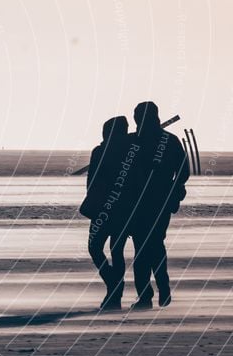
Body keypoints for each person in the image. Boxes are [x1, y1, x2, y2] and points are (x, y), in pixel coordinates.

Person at [127, 101, 189, 309]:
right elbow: (184, 172)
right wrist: (173, 188)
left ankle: (148, 295)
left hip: (140, 204)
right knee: (154, 244)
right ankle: (161, 288)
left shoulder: (133, 142)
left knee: (143, 248)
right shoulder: (169, 141)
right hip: (159, 202)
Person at [79, 116, 134, 310]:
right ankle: (114, 288)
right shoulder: (130, 150)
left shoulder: (101, 151)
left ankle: (114, 288)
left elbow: (92, 181)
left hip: (103, 208)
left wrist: (92, 201)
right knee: (115, 251)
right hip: (123, 209)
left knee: (96, 247)